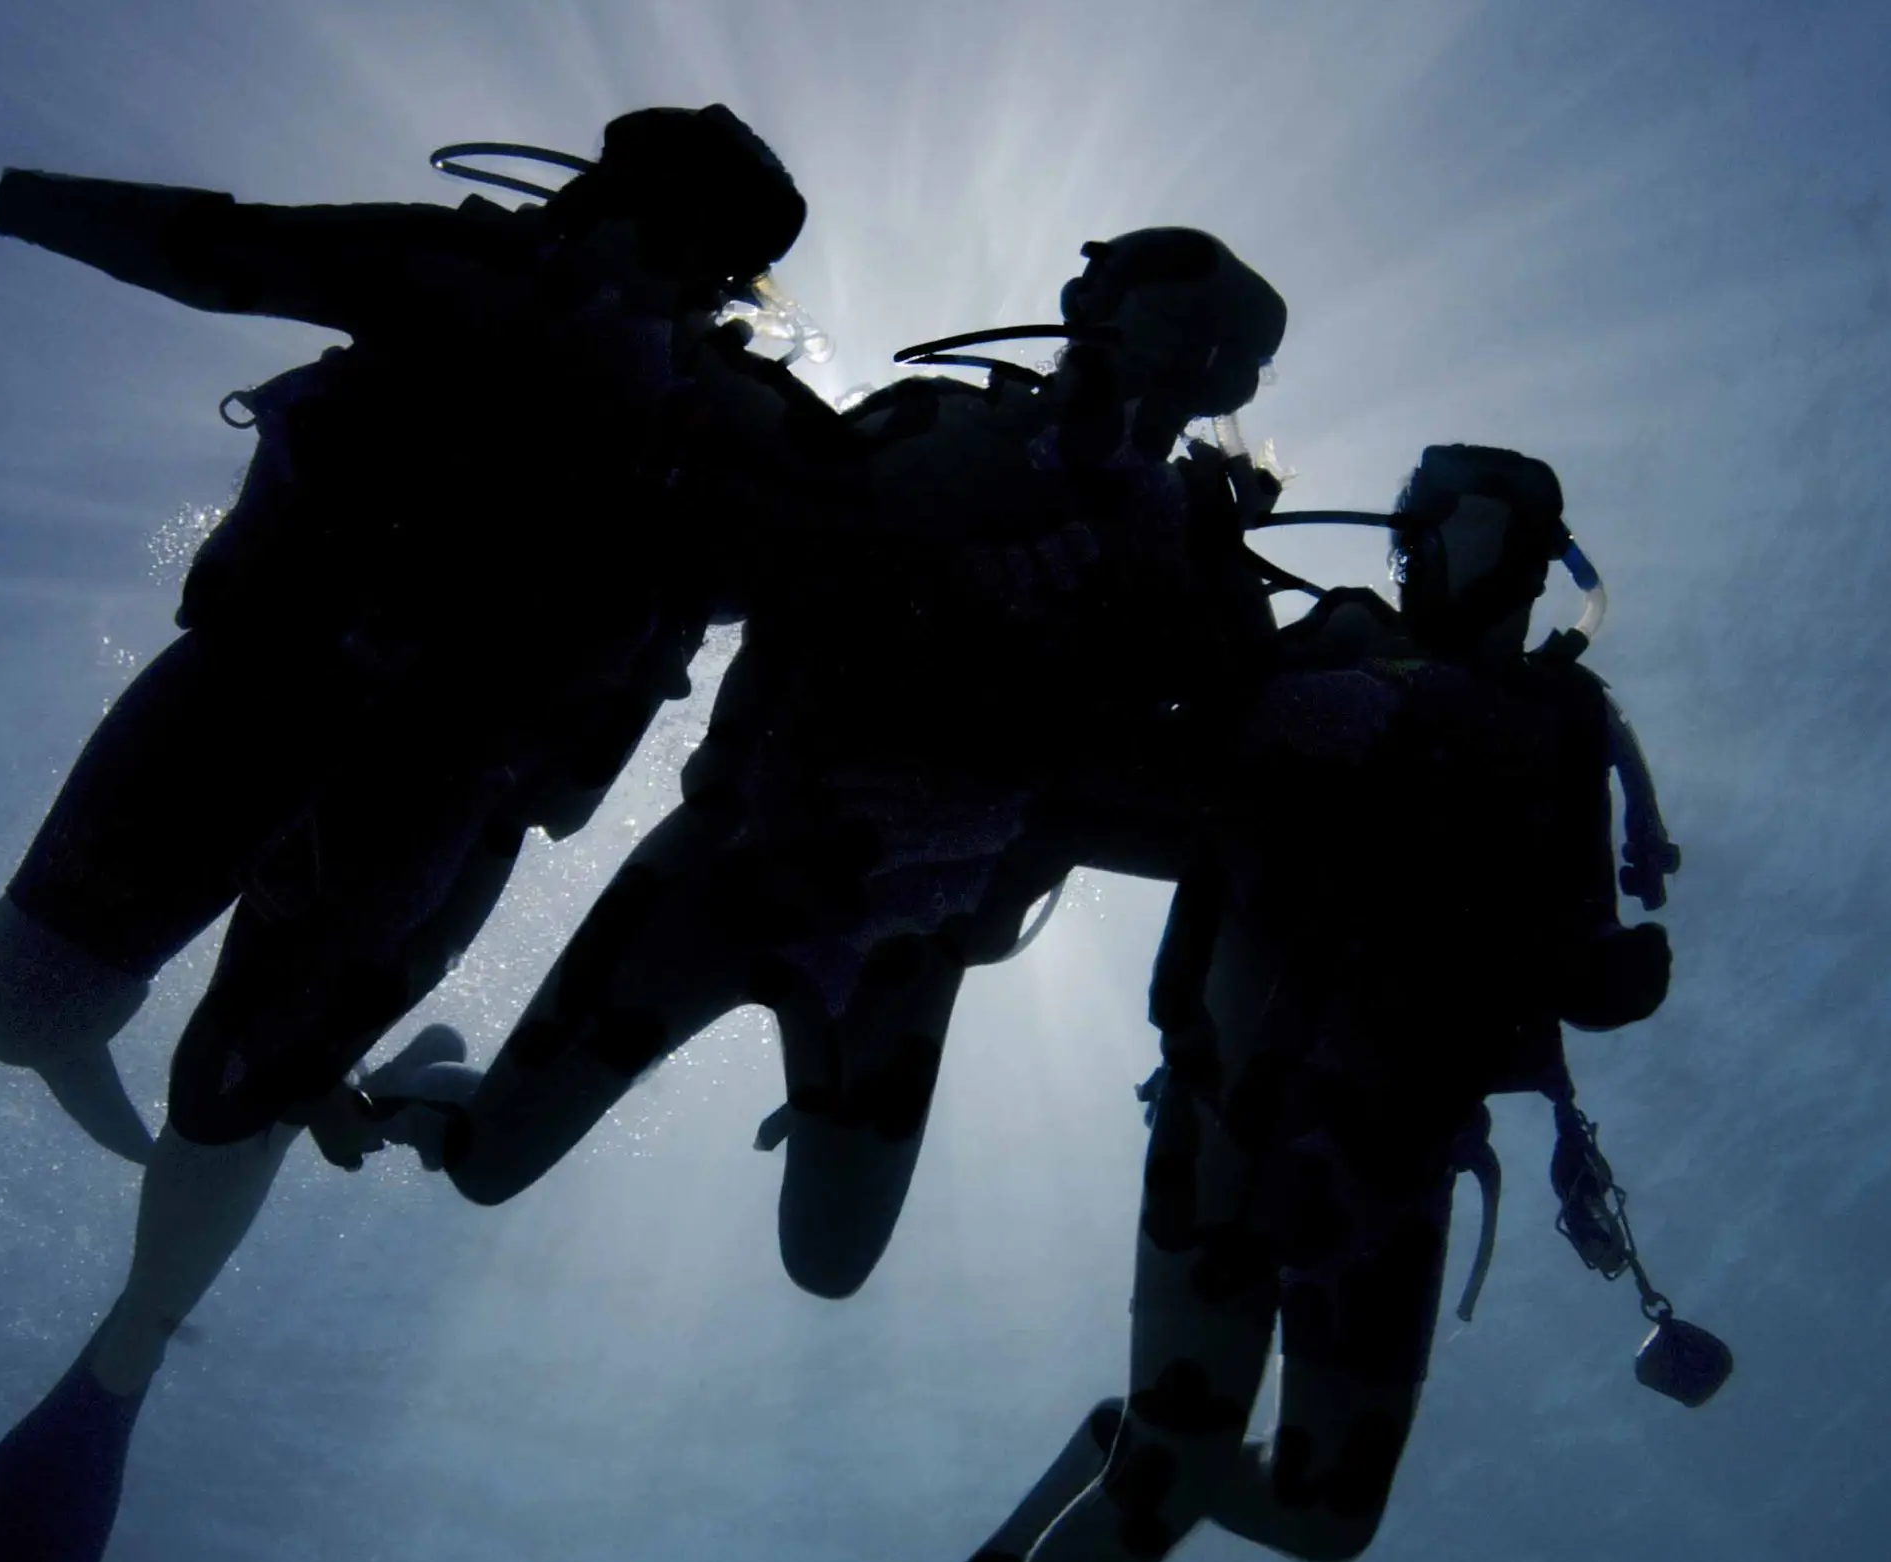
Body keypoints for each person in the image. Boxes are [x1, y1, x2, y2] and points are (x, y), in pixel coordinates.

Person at [706, 443, 1720, 1562]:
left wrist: (1603, 977)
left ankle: (1111, 1456)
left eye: (1446, 502)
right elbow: (1112, 775)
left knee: (1326, 1515)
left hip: (1388, 1149)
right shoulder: (1316, 641)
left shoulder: (1563, 728)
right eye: (1409, 503)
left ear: (1528, 540)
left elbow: (1557, 946)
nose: (1410, 526)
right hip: (1242, 1112)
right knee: (1204, 1465)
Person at [0, 108, 826, 1562]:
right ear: (582, 200)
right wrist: (14, 201)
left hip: (439, 790)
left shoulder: (746, 433)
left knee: (229, 1095)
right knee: (14, 1007)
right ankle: (293, 1101)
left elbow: (893, 594)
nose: (613, 252)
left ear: (716, 279)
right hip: (254, 684)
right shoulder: (458, 268)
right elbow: (237, 243)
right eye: (610, 211)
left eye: (665, 243)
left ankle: (137, 1333)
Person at [396, 228, 1291, 1301]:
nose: (1181, 377)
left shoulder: (1184, 538)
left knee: (828, 1260)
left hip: (912, 926)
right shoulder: (940, 426)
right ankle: (424, 1091)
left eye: (1211, 358)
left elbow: (1226, 741)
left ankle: (785, 1068)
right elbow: (743, 551)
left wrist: (1205, 572)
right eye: (1174, 333)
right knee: (488, 1165)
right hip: (733, 864)